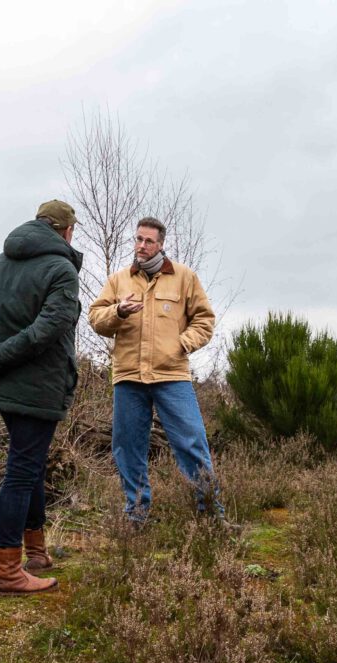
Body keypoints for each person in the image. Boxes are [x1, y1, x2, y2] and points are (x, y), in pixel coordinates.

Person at [0, 200, 83, 594]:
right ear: (66, 231)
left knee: (28, 464)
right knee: (22, 471)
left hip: (8, 385)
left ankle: (36, 552)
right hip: (39, 386)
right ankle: (8, 572)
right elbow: (50, 328)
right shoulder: (61, 269)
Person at [88, 217, 231, 526]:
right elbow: (96, 319)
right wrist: (118, 311)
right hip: (128, 376)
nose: (141, 245)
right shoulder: (119, 280)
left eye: (148, 241)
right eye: (138, 239)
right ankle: (137, 515)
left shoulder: (184, 278)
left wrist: (181, 344)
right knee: (128, 447)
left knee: (192, 442)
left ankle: (210, 515)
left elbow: (204, 320)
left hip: (172, 375)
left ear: (161, 244)